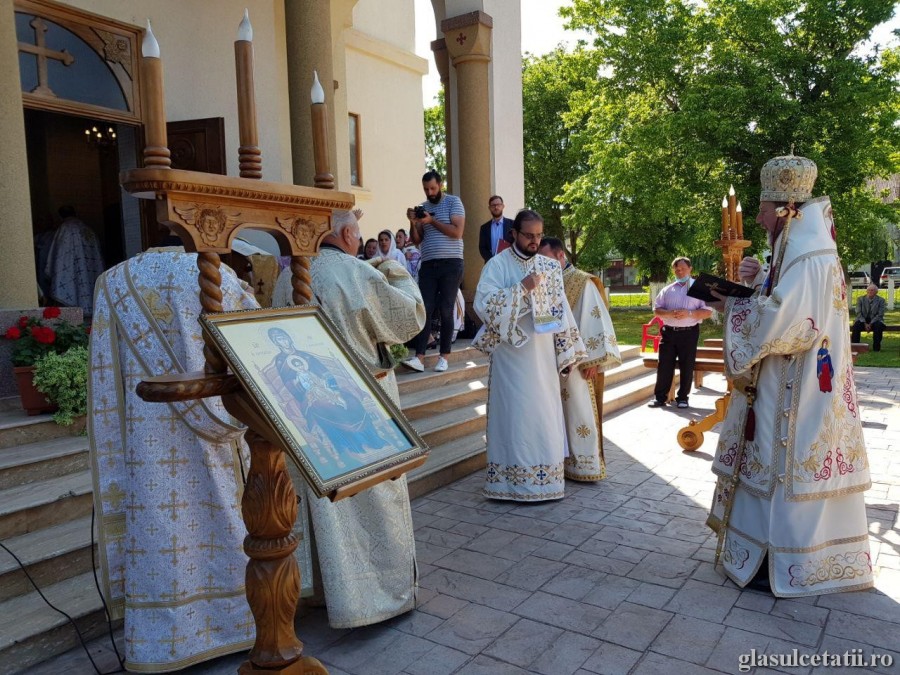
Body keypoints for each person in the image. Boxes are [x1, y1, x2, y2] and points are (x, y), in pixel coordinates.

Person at [706, 153, 873, 597]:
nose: (759, 219)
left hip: (802, 391)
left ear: (785, 210)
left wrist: (731, 306)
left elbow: (792, 324)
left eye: (763, 211)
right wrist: (759, 278)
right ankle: (765, 557)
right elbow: (786, 300)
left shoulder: (808, 254)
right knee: (771, 465)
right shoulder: (797, 248)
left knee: (788, 469)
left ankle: (785, 562)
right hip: (787, 381)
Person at [89, 249, 261, 671]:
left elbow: (106, 374)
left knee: (160, 530)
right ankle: (237, 625)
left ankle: (163, 643)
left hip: (146, 440)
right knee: (223, 517)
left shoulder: (113, 283)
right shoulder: (219, 275)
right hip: (217, 434)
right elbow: (253, 337)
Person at [272, 208, 426, 627]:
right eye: (357, 235)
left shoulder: (289, 277)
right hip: (362, 407)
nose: (359, 241)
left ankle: (329, 594)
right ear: (345, 235)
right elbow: (409, 317)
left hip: (309, 418)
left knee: (324, 502)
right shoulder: (355, 272)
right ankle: (380, 598)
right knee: (374, 496)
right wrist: (393, 268)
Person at [473, 209, 586, 501]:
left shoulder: (549, 267)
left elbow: (561, 310)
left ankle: (546, 484)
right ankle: (510, 485)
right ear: (514, 234)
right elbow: (483, 305)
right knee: (515, 415)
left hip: (543, 357)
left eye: (538, 235)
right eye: (528, 235)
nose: (534, 241)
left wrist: (567, 351)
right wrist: (521, 289)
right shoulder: (497, 265)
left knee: (544, 414)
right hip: (511, 357)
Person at [539, 237, 622, 481]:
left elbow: (594, 318)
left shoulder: (582, 281)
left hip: (578, 362)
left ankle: (584, 465)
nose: (542, 265)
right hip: (549, 360)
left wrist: (593, 361)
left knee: (579, 411)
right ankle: (559, 461)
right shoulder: (543, 282)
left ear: (560, 256)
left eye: (546, 259)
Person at [404, 169, 465, 373]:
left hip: (451, 263)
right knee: (425, 309)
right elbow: (417, 240)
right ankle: (419, 358)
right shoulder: (424, 208)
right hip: (429, 264)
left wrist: (432, 221)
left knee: (446, 309)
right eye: (426, 189)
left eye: (432, 188)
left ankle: (444, 357)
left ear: (440, 185)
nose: (429, 192)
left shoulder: (454, 202)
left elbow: (457, 232)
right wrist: (413, 223)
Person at [647, 257, 712, 409]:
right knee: (664, 365)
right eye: (676, 269)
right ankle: (660, 397)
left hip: (689, 333)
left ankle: (683, 398)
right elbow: (657, 309)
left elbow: (707, 312)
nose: (679, 271)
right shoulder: (667, 290)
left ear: (690, 269)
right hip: (668, 332)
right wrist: (669, 313)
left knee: (686, 365)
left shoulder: (699, 288)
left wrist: (689, 313)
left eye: (682, 268)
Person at [44, 205, 105, 316]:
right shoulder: (88, 229)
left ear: (60, 216)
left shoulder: (65, 228)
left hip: (74, 273)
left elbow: (59, 255)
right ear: (75, 213)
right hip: (90, 274)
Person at [478, 194, 514, 262]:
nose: (496, 207)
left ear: (503, 206)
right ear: (489, 208)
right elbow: (482, 247)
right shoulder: (484, 228)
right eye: (493, 205)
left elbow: (516, 243)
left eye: (498, 205)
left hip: (509, 262)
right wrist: (492, 260)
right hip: (491, 263)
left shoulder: (512, 224)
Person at [851, 284, 886, 351]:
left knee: (878, 326)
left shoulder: (881, 300)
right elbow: (858, 313)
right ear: (866, 291)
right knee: (856, 325)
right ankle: (855, 347)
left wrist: (871, 323)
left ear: (876, 292)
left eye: (872, 290)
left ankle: (876, 348)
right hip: (862, 319)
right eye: (868, 290)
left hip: (875, 320)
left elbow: (880, 314)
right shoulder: (860, 299)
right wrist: (865, 323)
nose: (870, 292)